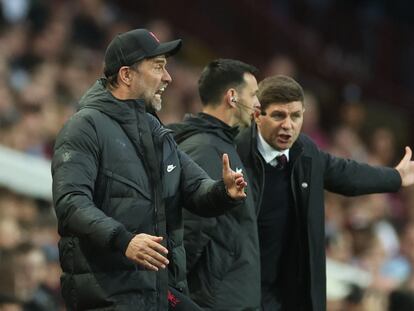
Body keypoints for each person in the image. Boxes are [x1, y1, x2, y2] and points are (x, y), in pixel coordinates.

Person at [51, 29, 248, 311]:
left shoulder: (157, 132)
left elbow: (194, 188)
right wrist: (124, 240)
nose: (168, 77)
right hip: (109, 294)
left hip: (158, 292)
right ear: (126, 75)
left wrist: (223, 191)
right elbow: (70, 203)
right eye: (158, 67)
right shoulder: (85, 126)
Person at [235, 75, 414, 311]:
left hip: (291, 292)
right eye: (279, 115)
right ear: (258, 115)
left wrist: (396, 177)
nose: (288, 125)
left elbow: (345, 173)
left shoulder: (305, 152)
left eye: (296, 116)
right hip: (243, 288)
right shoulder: (235, 153)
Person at [169, 59, 261, 310]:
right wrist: (174, 296)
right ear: (232, 97)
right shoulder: (206, 149)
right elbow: (190, 228)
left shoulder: (222, 146)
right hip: (214, 301)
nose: (257, 104)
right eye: (253, 94)